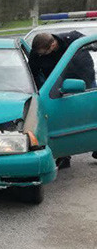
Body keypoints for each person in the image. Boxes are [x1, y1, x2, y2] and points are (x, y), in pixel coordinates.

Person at [29, 30, 97, 168]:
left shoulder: (74, 39)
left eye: (43, 53)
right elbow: (33, 74)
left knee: (91, 114)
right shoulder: (36, 54)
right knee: (62, 118)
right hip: (59, 86)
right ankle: (64, 156)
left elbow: (93, 44)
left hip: (86, 80)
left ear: (53, 45)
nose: (40, 56)